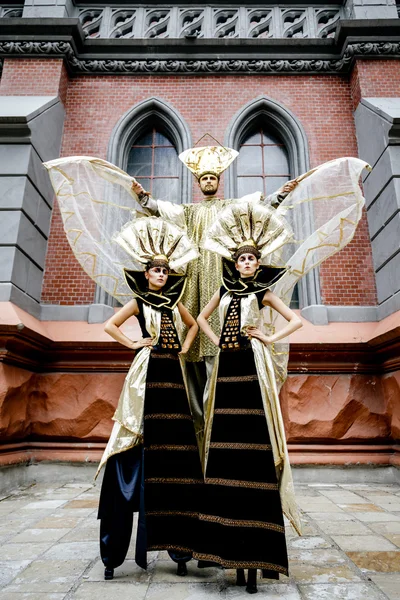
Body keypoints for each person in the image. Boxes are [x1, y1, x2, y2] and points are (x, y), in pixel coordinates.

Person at [195, 201, 302, 593]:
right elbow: (203, 320)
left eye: (252, 260)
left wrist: (267, 338)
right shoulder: (223, 290)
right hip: (227, 368)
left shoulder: (264, 290)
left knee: (253, 444)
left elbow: (296, 320)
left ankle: (256, 554)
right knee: (224, 443)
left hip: (252, 367)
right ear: (235, 262)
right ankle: (228, 551)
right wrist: (217, 344)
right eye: (241, 259)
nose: (246, 264)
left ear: (258, 263)